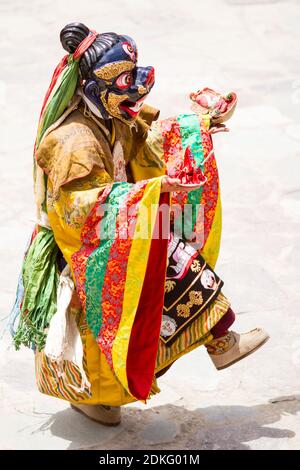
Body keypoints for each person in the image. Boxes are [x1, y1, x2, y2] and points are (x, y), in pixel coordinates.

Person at [9, 22, 269, 426]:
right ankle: (95, 395)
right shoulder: (71, 141)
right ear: (95, 86)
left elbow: (147, 141)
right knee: (124, 304)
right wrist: (144, 194)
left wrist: (196, 127)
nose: (135, 90)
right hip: (85, 246)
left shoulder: (112, 116)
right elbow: (77, 208)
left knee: (178, 255)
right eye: (125, 81)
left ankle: (221, 340)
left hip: (125, 226)